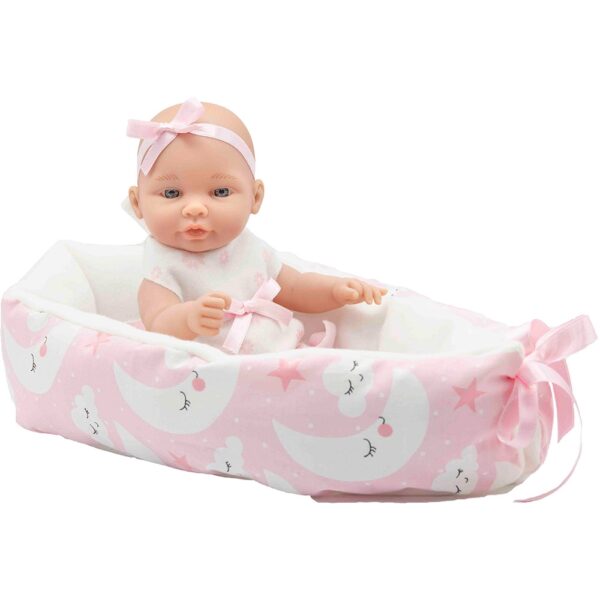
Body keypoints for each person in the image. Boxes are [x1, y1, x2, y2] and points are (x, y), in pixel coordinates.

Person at [127, 97, 387, 354]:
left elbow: (295, 288)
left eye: (220, 192)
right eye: (172, 193)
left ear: (256, 197)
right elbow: (158, 321)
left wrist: (335, 290)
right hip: (215, 371)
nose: (195, 208)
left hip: (288, 354)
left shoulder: (251, 250)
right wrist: (188, 318)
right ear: (137, 203)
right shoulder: (162, 268)